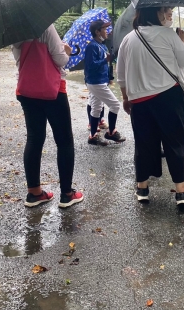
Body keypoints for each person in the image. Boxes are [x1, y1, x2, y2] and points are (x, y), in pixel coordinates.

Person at [116, 6, 184, 209]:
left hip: (139, 100)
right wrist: (182, 41)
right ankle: (181, 191)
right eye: (165, 10)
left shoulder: (129, 38)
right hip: (168, 97)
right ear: (155, 13)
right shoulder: (169, 34)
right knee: (175, 142)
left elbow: (121, 75)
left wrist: (125, 98)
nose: (168, 13)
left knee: (144, 143)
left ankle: (142, 188)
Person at [12, 24, 84, 208]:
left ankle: (34, 193)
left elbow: (18, 59)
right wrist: (66, 51)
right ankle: (67, 194)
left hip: (27, 89)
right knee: (64, 140)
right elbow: (61, 60)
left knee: (34, 139)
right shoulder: (45, 26)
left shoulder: (14, 29)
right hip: (52, 90)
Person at [85, 19, 126, 145]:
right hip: (95, 81)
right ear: (97, 32)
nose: (106, 31)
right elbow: (90, 66)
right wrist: (105, 60)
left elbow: (106, 63)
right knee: (115, 105)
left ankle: (93, 136)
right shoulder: (92, 46)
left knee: (96, 108)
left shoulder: (102, 45)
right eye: (104, 29)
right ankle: (111, 132)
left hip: (101, 81)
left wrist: (109, 77)